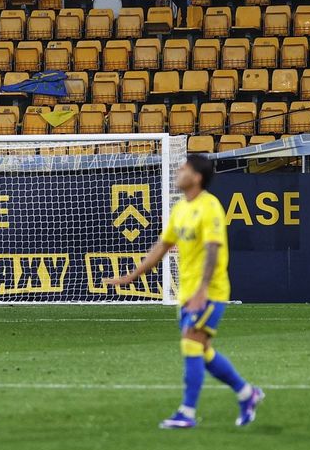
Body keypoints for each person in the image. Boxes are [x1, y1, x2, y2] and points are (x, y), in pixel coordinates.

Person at [102, 154, 263, 429]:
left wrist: (202, 290)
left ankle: (187, 412)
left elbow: (214, 250)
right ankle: (247, 394)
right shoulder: (181, 209)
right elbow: (162, 246)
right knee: (203, 351)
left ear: (197, 177)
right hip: (187, 292)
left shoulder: (209, 206)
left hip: (210, 291)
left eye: (184, 168)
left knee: (190, 344)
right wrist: (132, 275)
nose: (178, 171)